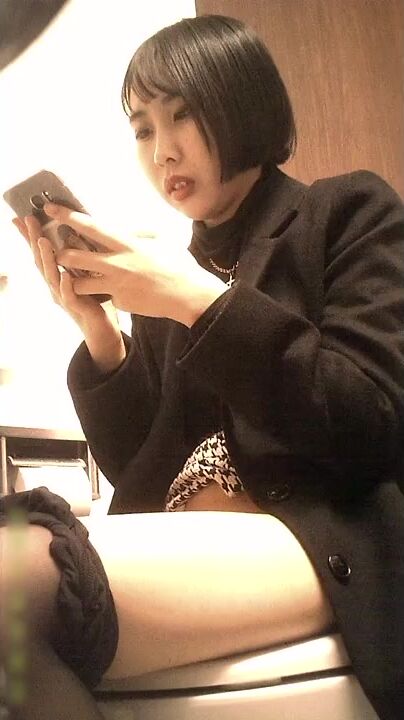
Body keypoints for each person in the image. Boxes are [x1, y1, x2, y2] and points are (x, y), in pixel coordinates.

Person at [1, 13, 403, 720]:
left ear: (242, 102)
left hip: (318, 541)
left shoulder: (346, 211)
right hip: (196, 544)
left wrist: (197, 300)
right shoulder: (170, 275)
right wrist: (100, 333)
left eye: (182, 114)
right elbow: (140, 467)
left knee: (12, 589)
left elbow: (369, 422)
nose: (162, 150)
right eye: (142, 128)